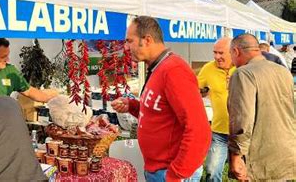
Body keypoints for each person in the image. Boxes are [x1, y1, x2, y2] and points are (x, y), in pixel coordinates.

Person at [111, 16, 211, 181]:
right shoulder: (158, 68)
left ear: (147, 40)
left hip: (169, 172)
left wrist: (175, 174)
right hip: (157, 170)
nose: (126, 47)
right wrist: (132, 106)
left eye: (130, 41)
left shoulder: (174, 71)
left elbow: (199, 130)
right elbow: (158, 113)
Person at [228, 34, 295, 180]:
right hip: (285, 152)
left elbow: (242, 120)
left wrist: (236, 155)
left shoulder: (243, 74)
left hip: (259, 156)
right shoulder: (283, 72)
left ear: (236, 51)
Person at [197, 37, 235, 182]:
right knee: (212, 171)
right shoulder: (208, 68)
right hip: (220, 131)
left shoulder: (243, 68)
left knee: (246, 172)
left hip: (244, 132)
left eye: (221, 53)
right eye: (215, 53)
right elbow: (196, 88)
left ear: (233, 52)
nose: (217, 57)